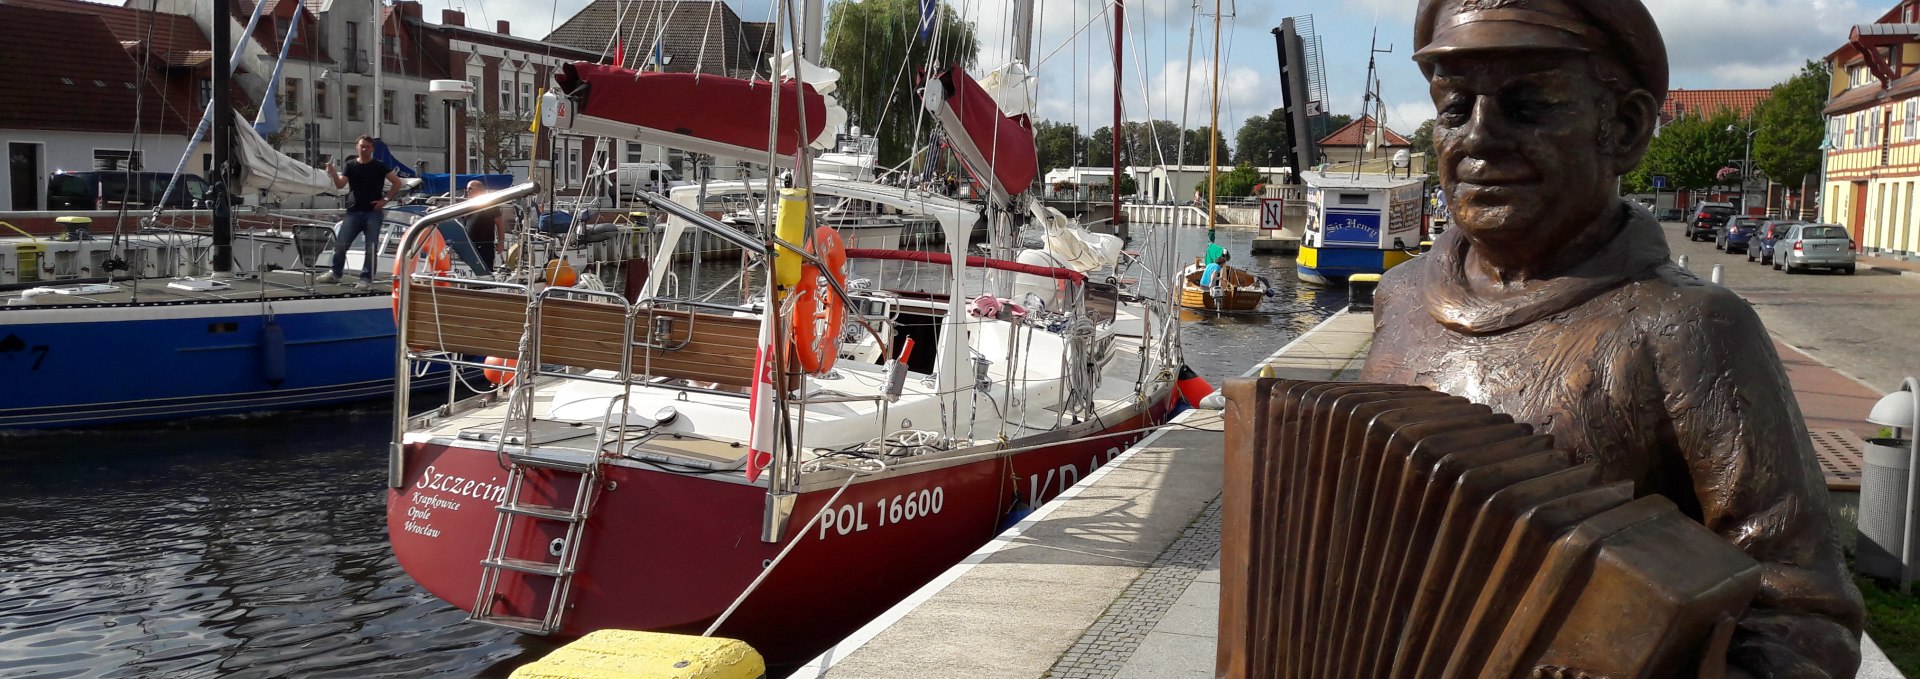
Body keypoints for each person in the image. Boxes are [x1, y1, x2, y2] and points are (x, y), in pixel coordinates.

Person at [1359, 1, 1862, 677]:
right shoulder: (1399, 299)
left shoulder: (1690, 328)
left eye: (1528, 104)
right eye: (1454, 108)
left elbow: (1805, 619)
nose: (1478, 137)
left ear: (1623, 129)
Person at [322, 136, 404, 287]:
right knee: (341, 244)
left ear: (372, 149)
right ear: (357, 148)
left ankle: (366, 278)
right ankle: (335, 273)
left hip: (373, 212)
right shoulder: (350, 165)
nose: (364, 149)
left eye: (367, 146)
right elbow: (340, 185)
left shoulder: (379, 166)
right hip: (353, 211)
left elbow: (397, 183)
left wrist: (385, 200)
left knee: (370, 248)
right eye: (362, 146)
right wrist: (333, 173)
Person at [462, 179, 500, 274]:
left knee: (486, 269)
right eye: (467, 189)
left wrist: (501, 241)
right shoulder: (466, 205)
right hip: (469, 245)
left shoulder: (490, 204)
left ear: (479, 189)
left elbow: (499, 222)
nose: (467, 191)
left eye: (470, 189)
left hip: (485, 245)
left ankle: (486, 285)